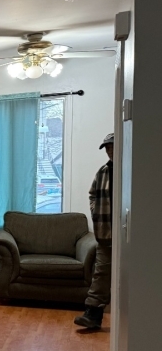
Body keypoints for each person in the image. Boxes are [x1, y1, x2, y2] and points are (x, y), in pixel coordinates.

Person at [74, 133, 114, 329]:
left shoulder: (131, 170)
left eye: (111, 146)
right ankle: (93, 316)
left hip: (127, 237)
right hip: (105, 235)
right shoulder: (103, 172)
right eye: (106, 147)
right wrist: (95, 212)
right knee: (101, 275)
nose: (108, 150)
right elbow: (92, 194)